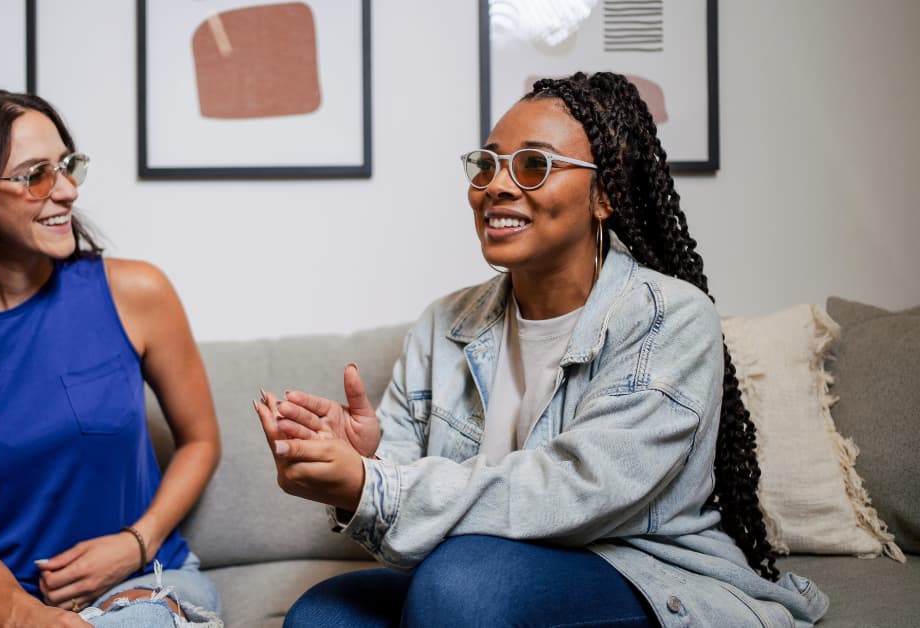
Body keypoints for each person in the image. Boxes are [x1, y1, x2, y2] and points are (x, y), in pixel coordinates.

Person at [255, 72, 829, 627]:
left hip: (645, 574)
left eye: (534, 165)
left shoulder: (669, 318)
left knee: (462, 585)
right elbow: (405, 521)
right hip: (477, 571)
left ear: (604, 194)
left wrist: (373, 485)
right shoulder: (444, 324)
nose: (497, 185)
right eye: (486, 164)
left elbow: (580, 492)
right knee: (324, 614)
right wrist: (370, 458)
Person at [0, 89, 223, 627]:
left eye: (67, 165)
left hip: (142, 579)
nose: (68, 191)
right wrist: (25, 615)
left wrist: (134, 543)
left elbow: (201, 441)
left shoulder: (138, 293)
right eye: (36, 175)